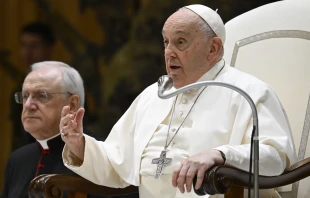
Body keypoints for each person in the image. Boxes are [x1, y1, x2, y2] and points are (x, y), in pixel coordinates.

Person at [60, 4, 296, 198]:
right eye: (166, 42)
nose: (168, 52)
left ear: (213, 48)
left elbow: (275, 157)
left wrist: (221, 154)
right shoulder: (154, 94)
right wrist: (79, 145)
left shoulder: (249, 92)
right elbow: (118, 162)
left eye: (180, 42)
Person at [1, 62, 115, 198]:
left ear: (72, 104)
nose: (28, 105)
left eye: (42, 95)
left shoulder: (105, 156)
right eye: (25, 96)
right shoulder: (18, 160)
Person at [10, 22, 56, 149]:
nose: (28, 53)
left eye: (35, 46)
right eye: (24, 46)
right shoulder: (20, 88)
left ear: (49, 49)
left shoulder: (63, 87)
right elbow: (17, 137)